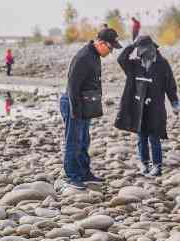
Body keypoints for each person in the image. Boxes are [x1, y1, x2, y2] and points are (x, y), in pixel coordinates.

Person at [59, 28, 121, 190]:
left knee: (84, 141)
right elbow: (73, 86)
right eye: (110, 47)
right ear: (101, 43)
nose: (111, 51)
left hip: (84, 104)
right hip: (73, 103)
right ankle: (71, 176)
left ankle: (84, 173)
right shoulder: (84, 57)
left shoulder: (94, 55)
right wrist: (75, 110)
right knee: (74, 141)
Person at [115, 36, 180, 177]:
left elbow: (171, 86)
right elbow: (121, 59)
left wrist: (175, 103)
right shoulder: (135, 65)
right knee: (141, 137)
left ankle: (157, 166)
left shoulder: (162, 64)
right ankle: (144, 164)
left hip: (156, 108)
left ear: (152, 49)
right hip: (139, 107)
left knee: (154, 137)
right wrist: (132, 45)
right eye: (140, 51)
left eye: (145, 51)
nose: (143, 55)